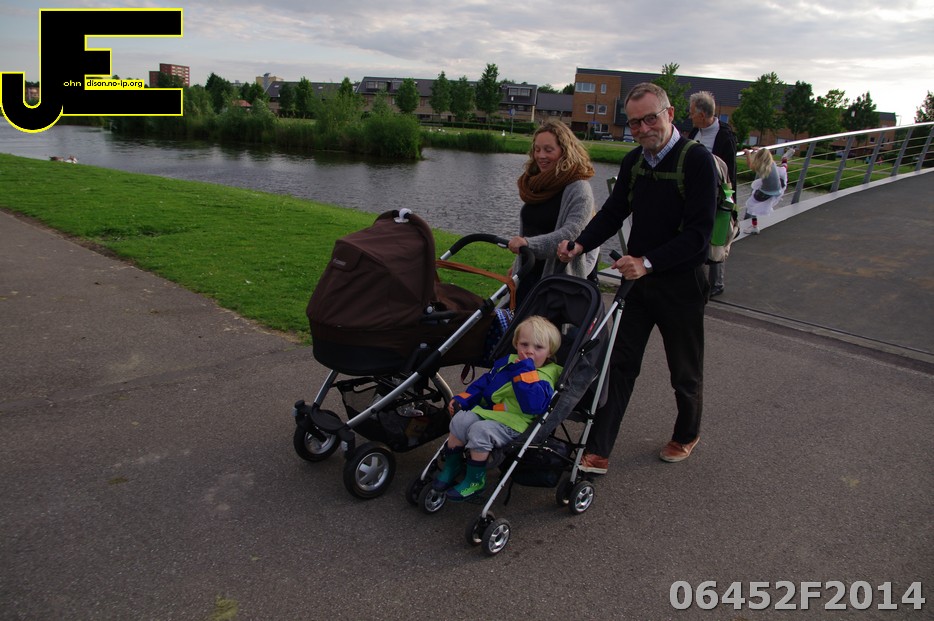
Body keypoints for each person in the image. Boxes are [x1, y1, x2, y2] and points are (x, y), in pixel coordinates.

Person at [558, 82, 716, 471]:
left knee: (684, 370)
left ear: (670, 114)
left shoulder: (697, 161)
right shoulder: (635, 162)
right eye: (634, 123)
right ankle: (599, 448)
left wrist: (647, 261)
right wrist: (580, 243)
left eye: (650, 119)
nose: (643, 129)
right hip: (639, 282)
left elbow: (699, 236)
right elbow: (614, 212)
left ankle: (686, 433)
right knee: (620, 364)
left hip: (682, 284)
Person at [433, 315, 563, 500]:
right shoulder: (507, 362)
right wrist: (464, 399)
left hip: (517, 422)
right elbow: (485, 383)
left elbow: (533, 405)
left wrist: (524, 372)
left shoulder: (546, 376)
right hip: (493, 412)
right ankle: (452, 466)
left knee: (480, 430)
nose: (529, 351)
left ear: (550, 352)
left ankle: (475, 480)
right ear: (516, 344)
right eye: (524, 344)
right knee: (460, 420)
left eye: (538, 347)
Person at [508, 119, 599, 307]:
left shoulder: (579, 189)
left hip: (557, 284)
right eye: (537, 149)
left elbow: (571, 234)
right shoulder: (538, 185)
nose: (541, 155)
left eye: (548, 150)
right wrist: (518, 263)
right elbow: (533, 227)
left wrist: (528, 245)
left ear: (565, 151)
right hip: (528, 274)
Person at [688, 91, 737, 297]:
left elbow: (729, 172)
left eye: (692, 112)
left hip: (715, 194)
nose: (689, 116)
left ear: (702, 114)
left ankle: (716, 283)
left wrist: (729, 201)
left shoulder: (724, 136)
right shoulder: (695, 132)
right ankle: (696, 280)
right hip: (693, 193)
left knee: (716, 237)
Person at [743, 147, 792, 234]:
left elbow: (750, 165)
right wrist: (759, 150)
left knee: (751, 205)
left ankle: (754, 227)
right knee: (783, 169)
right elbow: (764, 154)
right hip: (778, 189)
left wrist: (748, 153)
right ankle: (784, 158)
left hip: (765, 193)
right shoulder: (772, 163)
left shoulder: (760, 167)